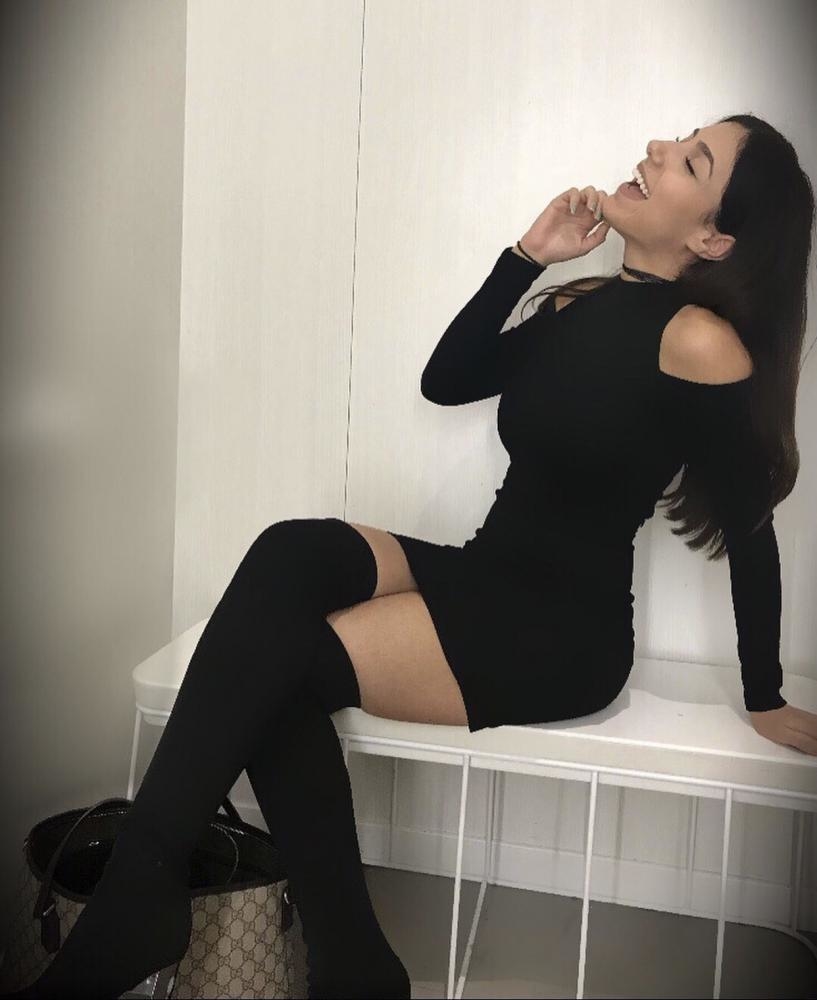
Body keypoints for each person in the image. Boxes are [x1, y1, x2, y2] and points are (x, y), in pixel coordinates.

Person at [5, 113, 817, 1000]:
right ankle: (327, 957)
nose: (658, 149)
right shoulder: (576, 304)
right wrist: (527, 257)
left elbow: (749, 526)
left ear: (712, 237)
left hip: (559, 635)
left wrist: (763, 694)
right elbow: (447, 380)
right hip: (486, 572)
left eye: (691, 160)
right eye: (679, 137)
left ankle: (170, 907)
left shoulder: (698, 341)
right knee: (290, 552)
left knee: (279, 664)